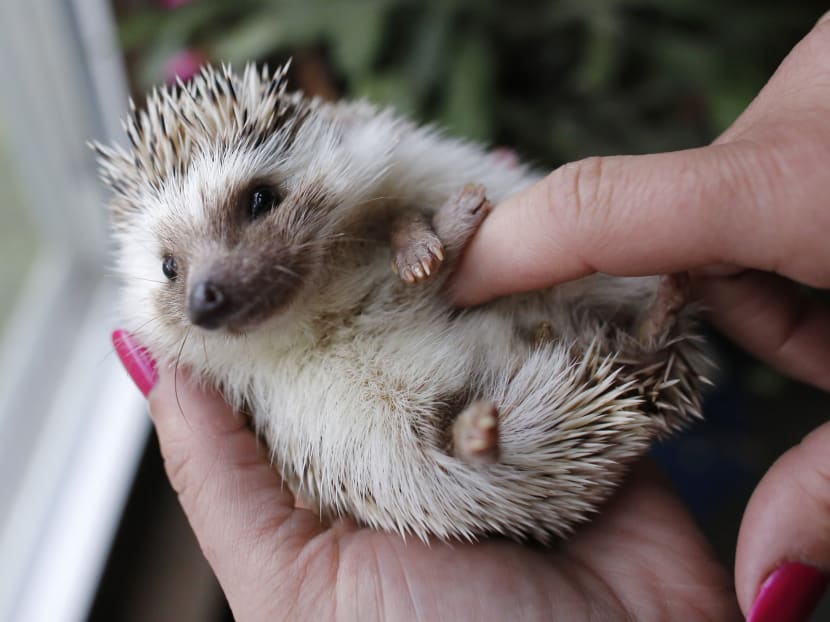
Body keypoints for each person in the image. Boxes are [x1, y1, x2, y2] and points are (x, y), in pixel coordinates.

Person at [113, 12, 830, 622]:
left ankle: (590, 368)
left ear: (332, 137)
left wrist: (414, 234)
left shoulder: (370, 187)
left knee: (589, 304)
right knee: (418, 446)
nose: (207, 286)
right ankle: (468, 437)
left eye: (258, 204)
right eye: (174, 269)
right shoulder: (239, 361)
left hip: (515, 317)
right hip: (453, 413)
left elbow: (403, 228)